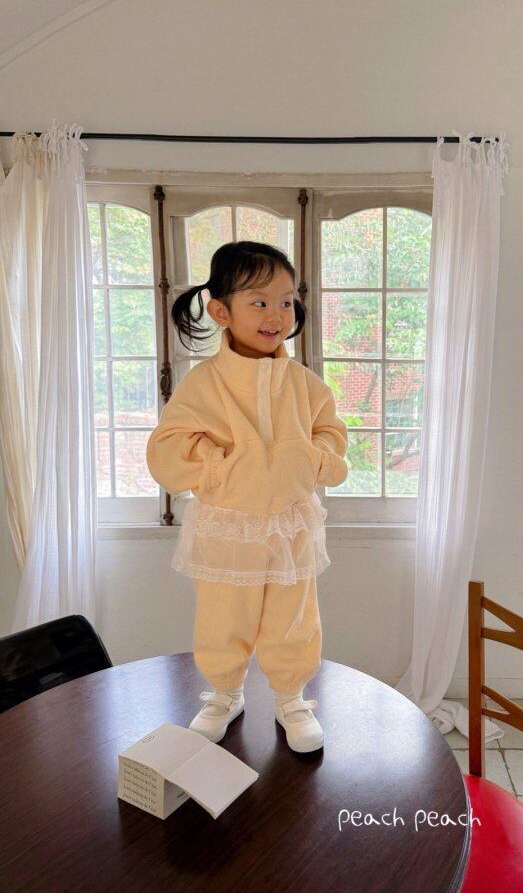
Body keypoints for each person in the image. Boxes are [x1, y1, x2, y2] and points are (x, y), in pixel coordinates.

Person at [146, 240, 348, 752]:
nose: (276, 315)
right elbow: (168, 447)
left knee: (293, 615)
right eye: (259, 302)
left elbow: (331, 431)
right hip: (228, 524)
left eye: (285, 301)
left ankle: (291, 697)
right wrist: (217, 463)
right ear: (220, 311)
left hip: (289, 522)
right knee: (223, 614)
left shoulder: (304, 383)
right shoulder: (203, 384)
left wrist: (313, 457)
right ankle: (224, 692)